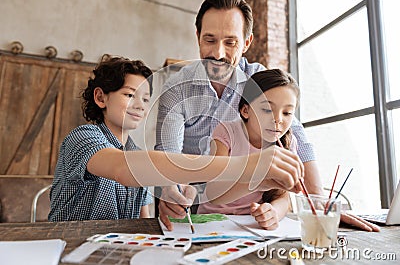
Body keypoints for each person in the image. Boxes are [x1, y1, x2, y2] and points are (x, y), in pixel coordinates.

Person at [155, 0, 379, 232]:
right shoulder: (176, 89)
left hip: (249, 210)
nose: (218, 53)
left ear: (246, 43)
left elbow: (297, 138)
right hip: (195, 203)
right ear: (198, 35)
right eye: (209, 40)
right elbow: (167, 154)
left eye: (230, 42)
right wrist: (169, 188)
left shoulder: (258, 81)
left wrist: (318, 201)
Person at [48, 56, 304, 222]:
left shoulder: (138, 151)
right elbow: (124, 168)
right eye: (129, 96)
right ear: (101, 98)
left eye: (146, 99)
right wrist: (247, 165)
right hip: (68, 244)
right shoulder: (83, 139)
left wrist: (166, 206)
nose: (140, 106)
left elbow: (142, 218)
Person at [197, 69, 299, 230]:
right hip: (212, 221)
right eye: (267, 110)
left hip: (251, 225)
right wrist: (258, 182)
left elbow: (283, 197)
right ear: (246, 110)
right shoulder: (226, 132)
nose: (278, 119)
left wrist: (273, 213)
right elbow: (214, 193)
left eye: (287, 113)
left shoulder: (288, 142)